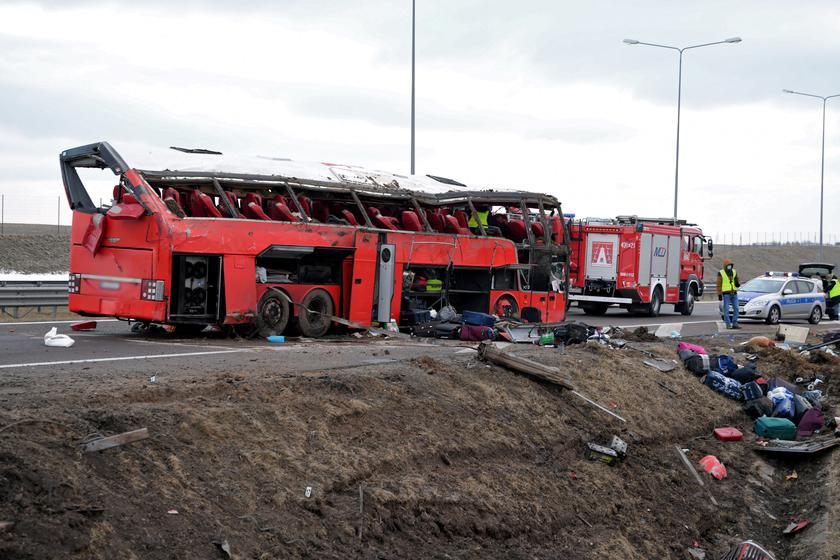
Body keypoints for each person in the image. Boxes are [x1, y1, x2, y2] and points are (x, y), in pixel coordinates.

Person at [717, 259, 741, 329]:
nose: (729, 267)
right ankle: (728, 324)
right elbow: (719, 284)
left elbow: (736, 279)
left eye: (730, 265)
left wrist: (737, 283)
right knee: (726, 310)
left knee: (736, 308)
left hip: (734, 293)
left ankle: (735, 323)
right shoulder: (721, 273)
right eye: (728, 265)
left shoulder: (734, 271)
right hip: (726, 294)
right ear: (725, 266)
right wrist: (719, 294)